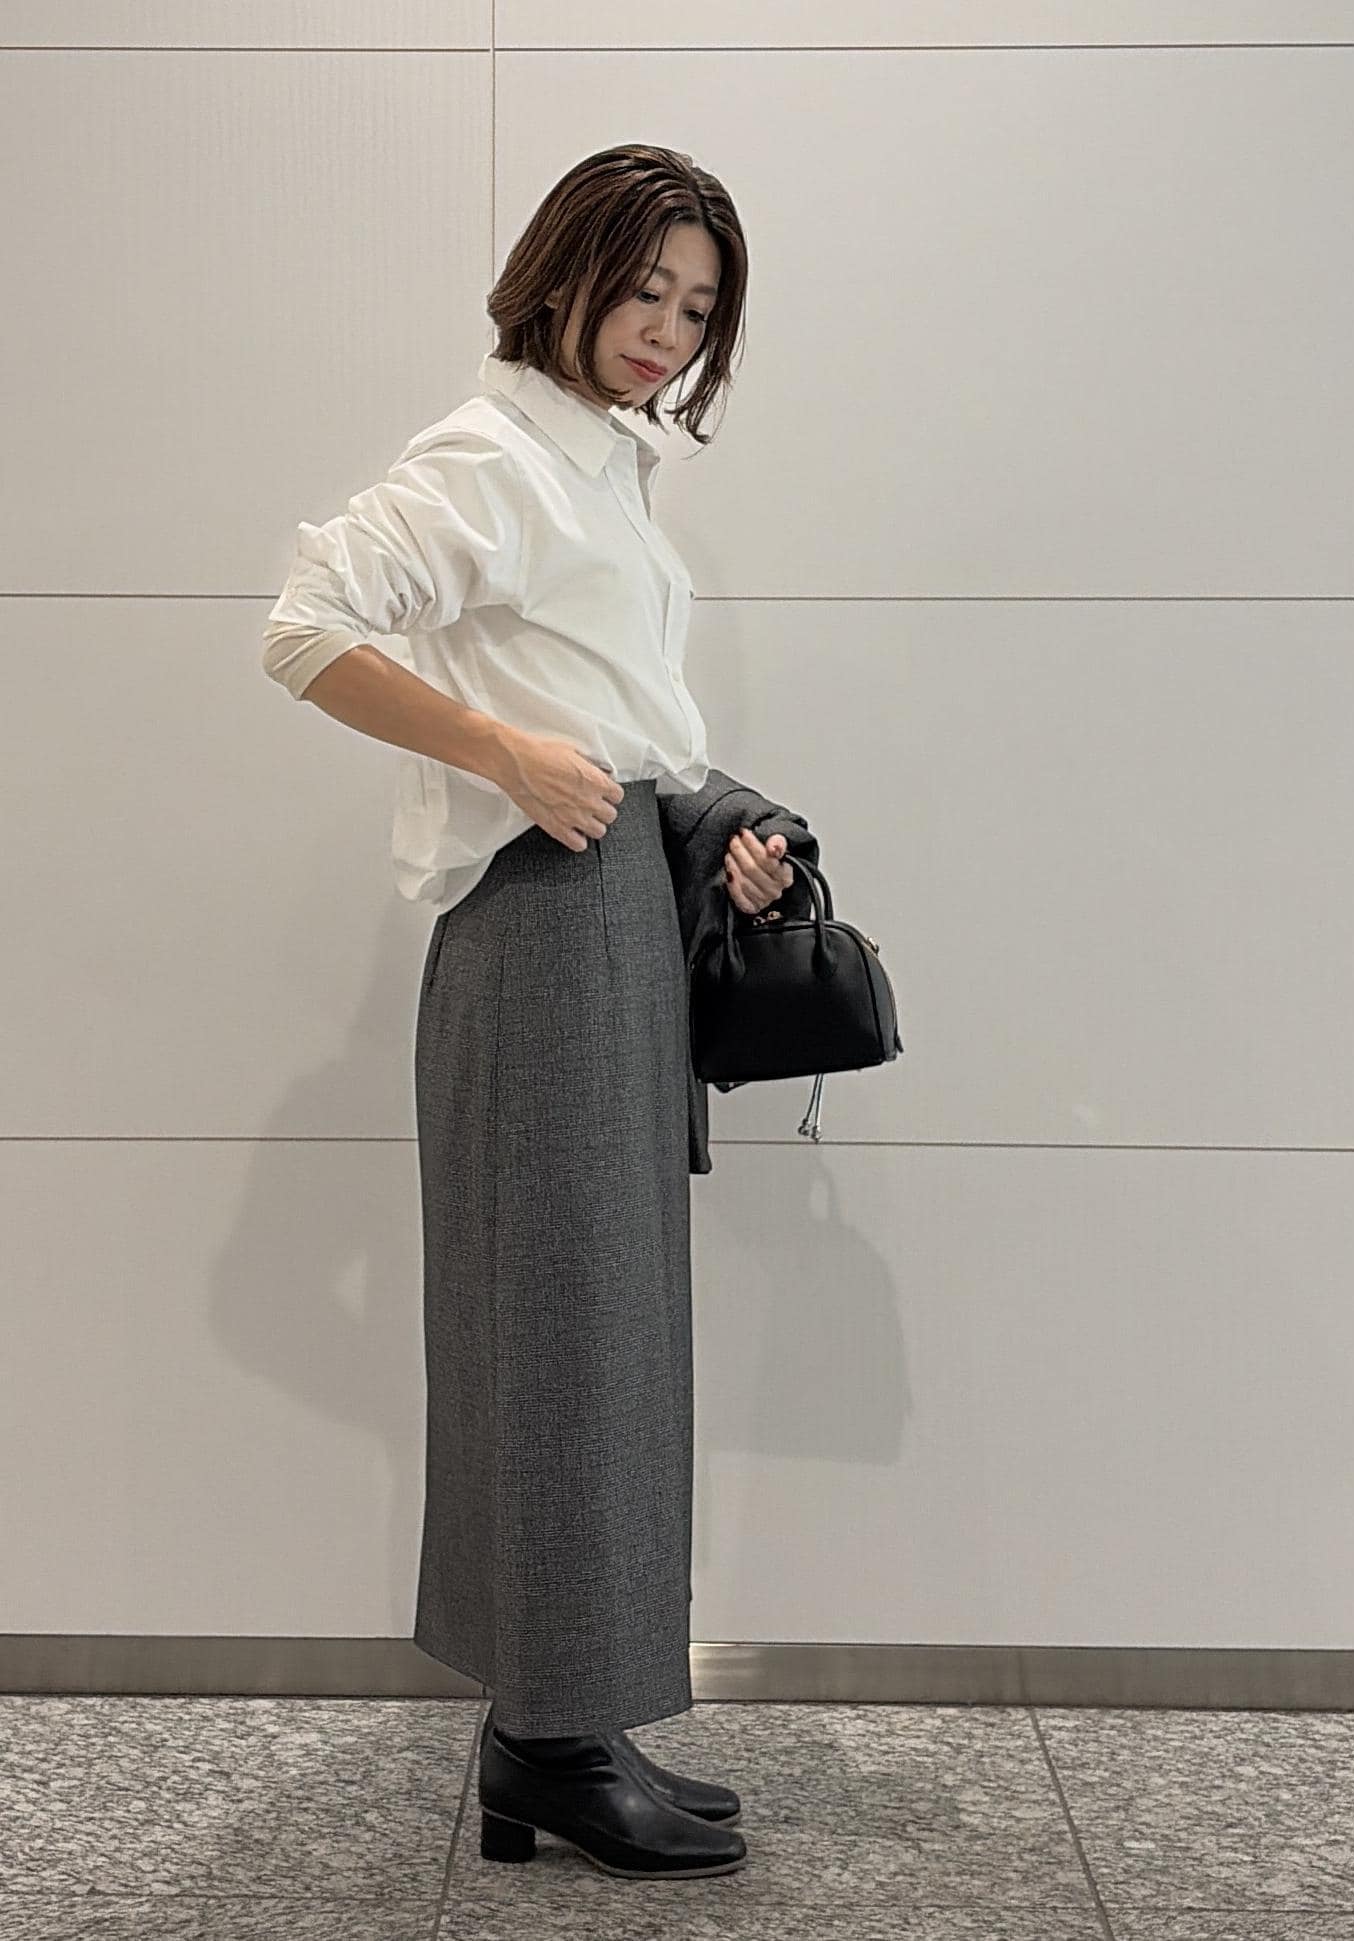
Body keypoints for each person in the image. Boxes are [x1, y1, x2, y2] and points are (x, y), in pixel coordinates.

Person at [262, 146, 796, 1880]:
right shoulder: (489, 457)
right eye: (641, 288)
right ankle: (550, 1739)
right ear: (562, 270)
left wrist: (709, 832)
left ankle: (567, 1719)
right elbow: (303, 628)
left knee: (611, 1320)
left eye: (694, 308)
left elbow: (616, 704)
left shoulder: (603, 463)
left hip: (614, 902)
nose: (664, 330)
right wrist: (502, 754)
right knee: (564, 1321)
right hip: (542, 919)